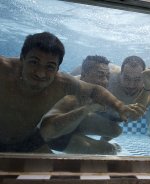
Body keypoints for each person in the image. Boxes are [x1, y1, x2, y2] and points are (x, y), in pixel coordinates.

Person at [0, 32, 142, 153]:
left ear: (57, 68)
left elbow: (95, 90)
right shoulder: (4, 70)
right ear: (22, 58)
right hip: (48, 137)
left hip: (31, 141)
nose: (41, 73)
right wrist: (87, 109)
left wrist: (120, 107)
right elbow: (50, 129)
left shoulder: (62, 82)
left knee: (52, 176)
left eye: (50, 67)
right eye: (34, 62)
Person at [40, 55, 150, 154]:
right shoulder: (69, 94)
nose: (106, 82)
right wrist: (86, 109)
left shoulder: (95, 91)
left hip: (74, 122)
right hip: (55, 136)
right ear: (84, 75)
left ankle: (79, 138)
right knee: (108, 149)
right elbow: (48, 131)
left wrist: (122, 108)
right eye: (100, 76)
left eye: (107, 76)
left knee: (116, 130)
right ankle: (76, 143)